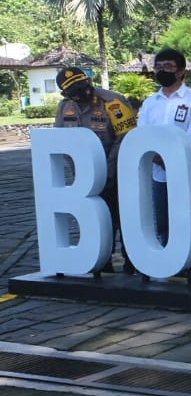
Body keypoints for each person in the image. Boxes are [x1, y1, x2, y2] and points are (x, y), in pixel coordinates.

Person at [138, 48, 191, 277]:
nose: (163, 71)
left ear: (182, 71)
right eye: (159, 67)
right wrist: (157, 156)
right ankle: (172, 266)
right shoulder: (150, 102)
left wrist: (170, 156)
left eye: (169, 67)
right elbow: (142, 133)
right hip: (159, 173)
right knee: (164, 222)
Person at [53, 66, 138, 275]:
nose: (84, 90)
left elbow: (126, 139)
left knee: (124, 218)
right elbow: (60, 141)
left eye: (84, 84)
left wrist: (107, 171)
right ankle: (102, 261)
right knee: (97, 222)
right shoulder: (65, 107)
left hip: (117, 174)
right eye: (76, 89)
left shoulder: (112, 101)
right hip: (85, 178)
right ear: (66, 94)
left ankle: (133, 262)